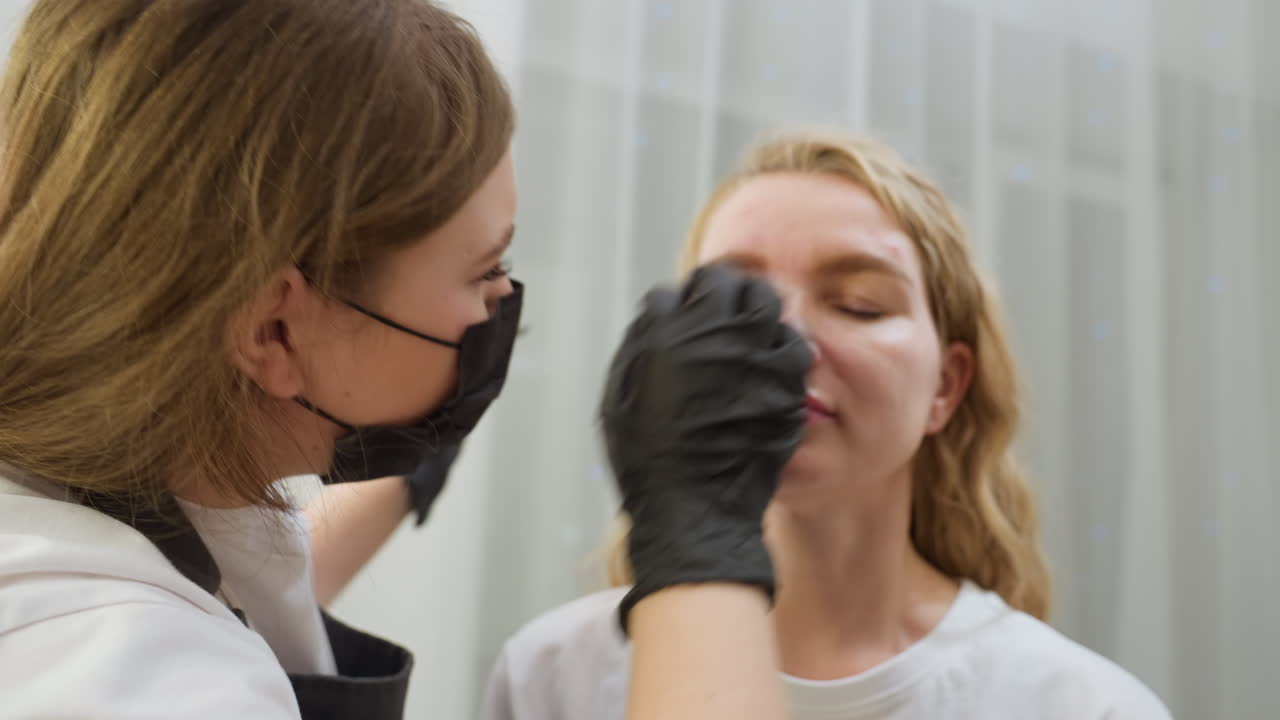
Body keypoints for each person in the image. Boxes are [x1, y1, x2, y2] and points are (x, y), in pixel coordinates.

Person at [0, 2, 807, 719]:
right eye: (485, 269)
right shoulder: (134, 683)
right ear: (275, 332)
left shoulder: (87, 491)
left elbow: (241, 573)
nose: (502, 305)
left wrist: (408, 468)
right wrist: (698, 536)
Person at [476, 131, 1174, 720]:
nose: (789, 342)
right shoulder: (553, 676)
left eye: (861, 304)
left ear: (946, 386)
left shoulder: (1079, 706)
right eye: (736, 306)